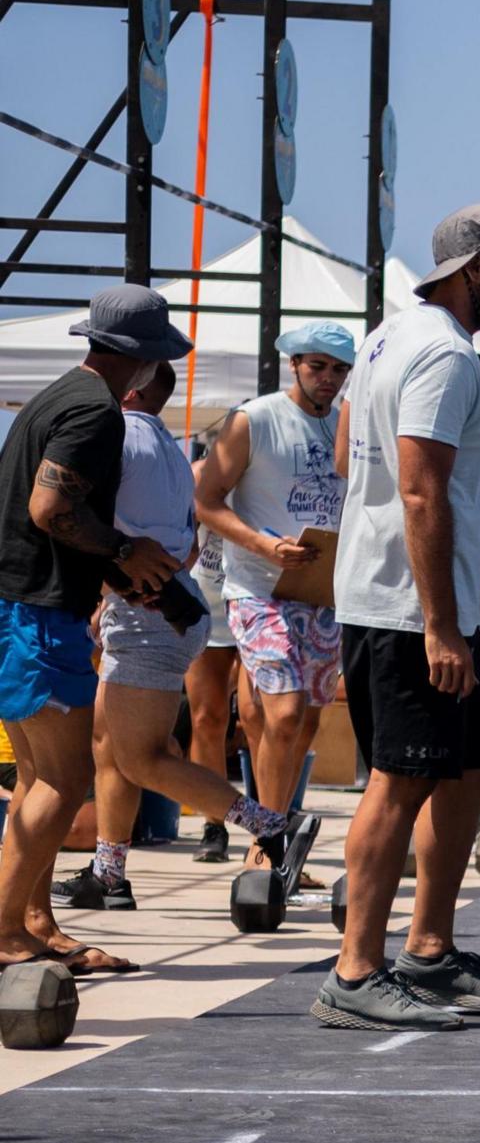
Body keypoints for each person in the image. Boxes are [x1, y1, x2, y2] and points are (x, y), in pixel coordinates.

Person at [319, 204, 480, 1030]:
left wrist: (467, 517)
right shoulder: (446, 355)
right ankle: (355, 971)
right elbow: (420, 487)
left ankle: (429, 950)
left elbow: (362, 447)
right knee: (401, 777)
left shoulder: (390, 337)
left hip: (417, 593)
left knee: (467, 768)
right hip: (410, 609)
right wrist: (439, 625)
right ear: (475, 268)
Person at [66, 361, 304, 912]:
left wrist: (118, 582)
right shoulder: (175, 456)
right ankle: (109, 872)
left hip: (149, 619)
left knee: (142, 757)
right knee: (109, 746)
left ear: (129, 384)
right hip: (166, 611)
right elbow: (190, 545)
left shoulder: (120, 439)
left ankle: (269, 823)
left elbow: (80, 519)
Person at [0, 290, 188, 973]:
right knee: (65, 775)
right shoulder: (95, 411)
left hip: (20, 606)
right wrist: (123, 551)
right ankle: (5, 933)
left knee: (34, 776)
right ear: (140, 361)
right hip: (38, 609)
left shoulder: (56, 396)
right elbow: (50, 507)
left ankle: (33, 919)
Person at [191, 320, 353, 884]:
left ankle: (277, 843)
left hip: (324, 589)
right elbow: (205, 499)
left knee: (302, 725)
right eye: (318, 367)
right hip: (258, 588)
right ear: (293, 364)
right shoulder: (252, 418)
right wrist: (262, 544)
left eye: (338, 369)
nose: (329, 379)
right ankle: (266, 842)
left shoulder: (346, 424)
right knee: (280, 714)